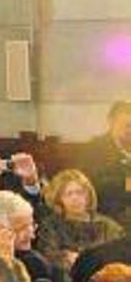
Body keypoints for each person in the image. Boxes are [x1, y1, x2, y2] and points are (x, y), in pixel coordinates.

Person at [37, 169, 125, 277]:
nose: (75, 198)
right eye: (68, 194)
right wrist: (64, 257)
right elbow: (46, 255)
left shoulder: (108, 225)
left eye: (80, 192)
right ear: (58, 198)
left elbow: (120, 254)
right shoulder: (50, 226)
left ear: (88, 195)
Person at [81, 101, 131, 231]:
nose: (130, 130)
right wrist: (128, 183)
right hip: (108, 214)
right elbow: (97, 184)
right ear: (111, 122)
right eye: (126, 125)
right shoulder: (94, 149)